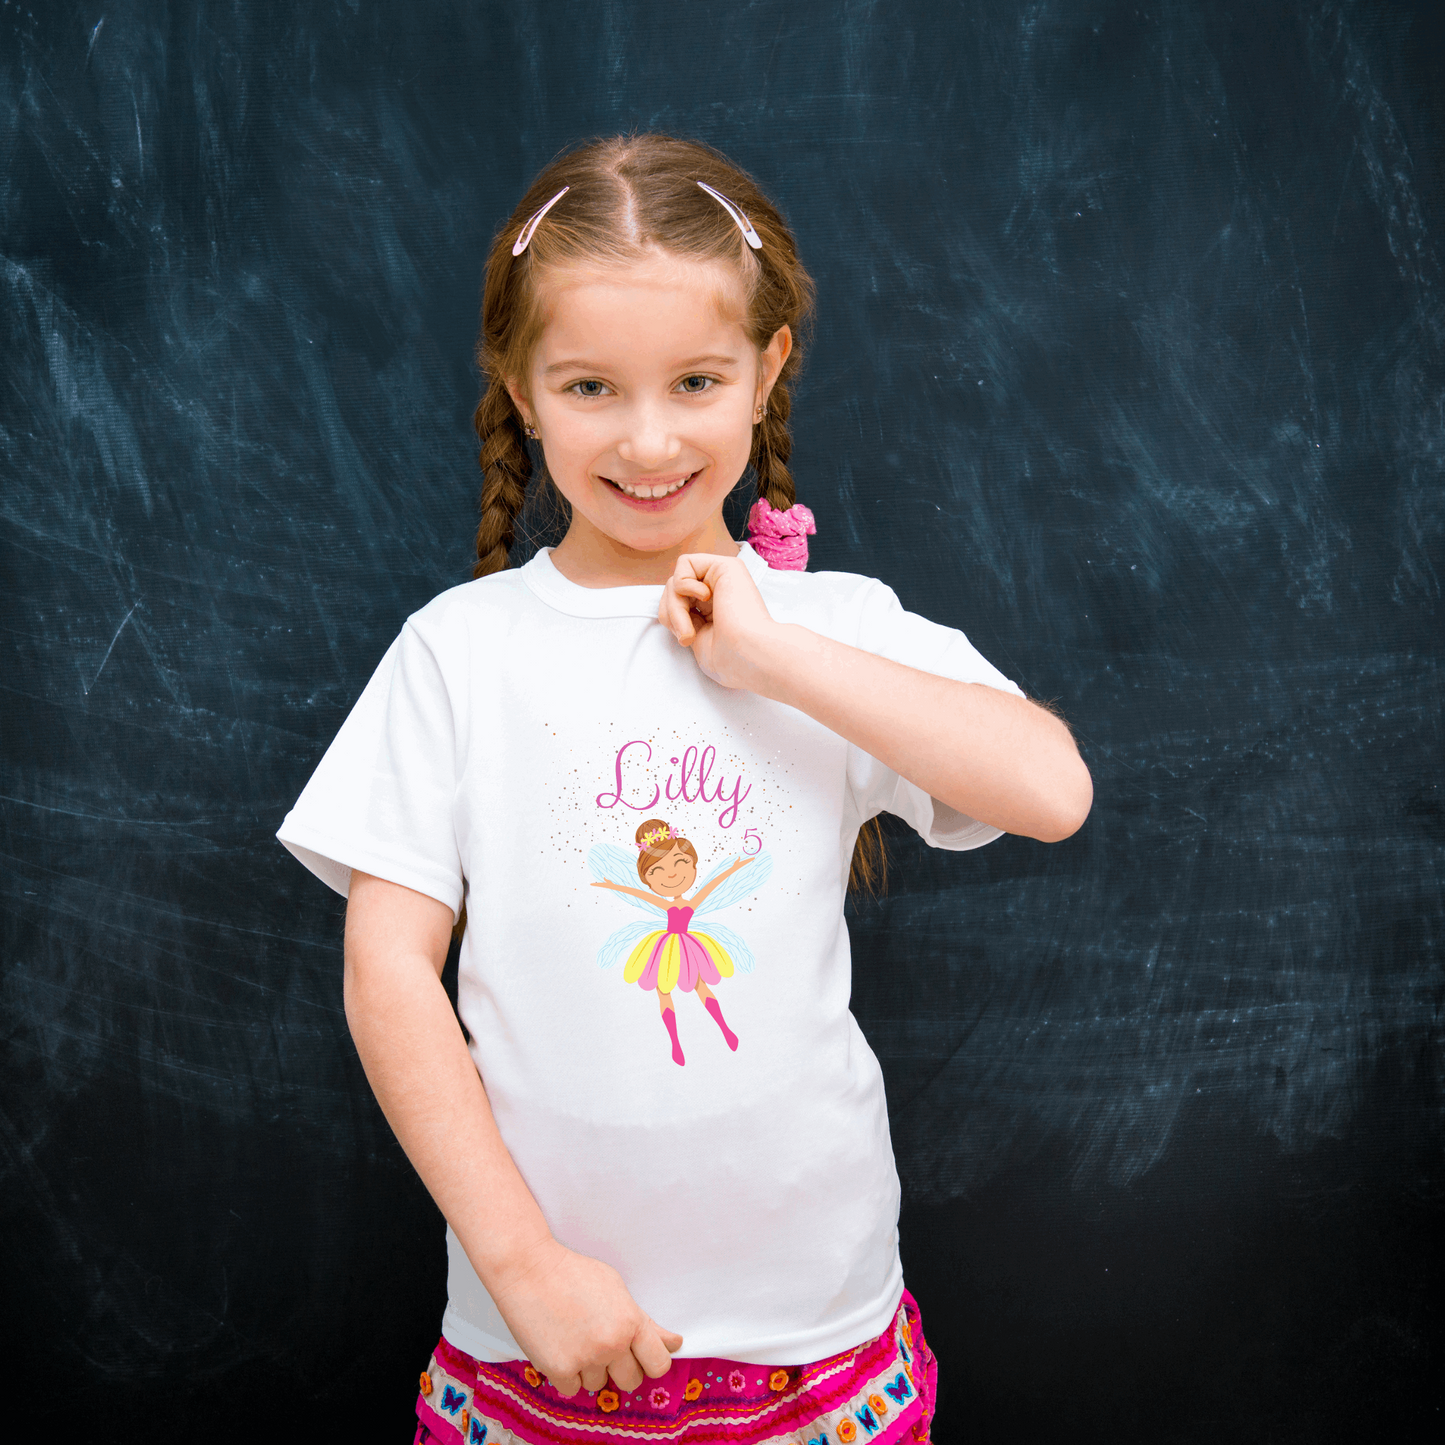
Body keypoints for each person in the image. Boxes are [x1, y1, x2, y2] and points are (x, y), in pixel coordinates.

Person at [277, 133, 1091, 1445]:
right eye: (592, 386)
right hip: (534, 1352)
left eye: (698, 380)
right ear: (519, 386)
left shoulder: (830, 629)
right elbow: (389, 975)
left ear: (767, 374)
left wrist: (775, 651)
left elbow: (1049, 787)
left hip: (818, 1358)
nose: (649, 439)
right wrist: (524, 1268)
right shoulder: (460, 652)